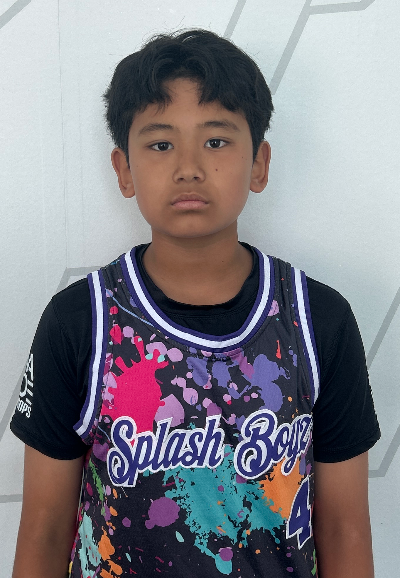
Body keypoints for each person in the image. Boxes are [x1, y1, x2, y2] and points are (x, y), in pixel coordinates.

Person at [10, 28, 380, 578]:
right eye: (161, 145)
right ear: (124, 170)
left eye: (216, 141)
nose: (189, 167)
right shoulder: (81, 321)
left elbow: (345, 527)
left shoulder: (316, 320)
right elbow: (44, 525)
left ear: (259, 164)